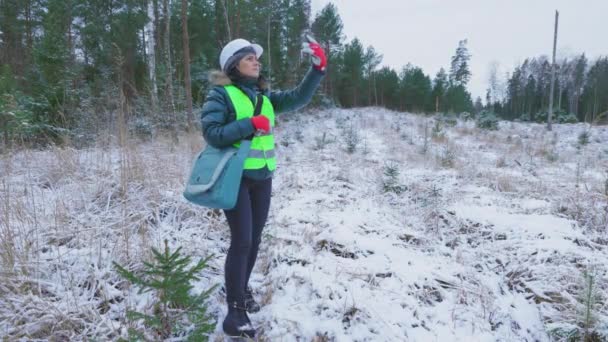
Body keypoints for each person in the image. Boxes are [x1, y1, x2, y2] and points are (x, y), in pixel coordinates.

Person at [200, 36, 326, 338]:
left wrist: (317, 69)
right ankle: (234, 313)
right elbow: (212, 133)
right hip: (236, 178)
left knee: (255, 241)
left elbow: (299, 98)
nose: (256, 61)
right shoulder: (221, 95)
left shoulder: (264, 96)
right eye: (248, 58)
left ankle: (240, 291)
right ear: (234, 66)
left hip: (263, 178)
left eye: (256, 58)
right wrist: (250, 124)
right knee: (241, 241)